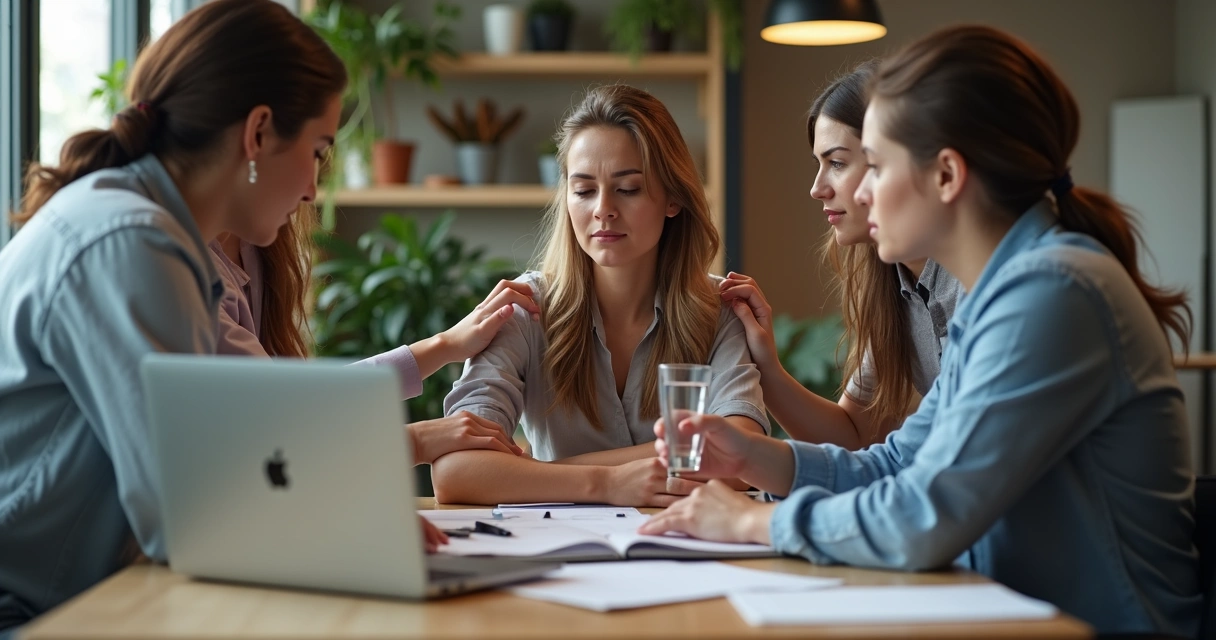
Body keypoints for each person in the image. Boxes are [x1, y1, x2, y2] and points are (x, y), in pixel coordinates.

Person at [640, 25, 1201, 637]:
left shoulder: (1051, 293)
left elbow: (926, 512)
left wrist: (754, 523)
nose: (861, 191)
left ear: (947, 176)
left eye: (876, 166)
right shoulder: (1005, 295)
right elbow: (899, 464)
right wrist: (755, 456)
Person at [0, 0, 349, 629]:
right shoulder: (131, 242)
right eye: (318, 151)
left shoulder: (147, 231)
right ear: (258, 133)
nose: (311, 191)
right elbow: (187, 520)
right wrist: (346, 534)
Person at [431, 84, 769, 507]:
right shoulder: (524, 309)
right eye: (584, 190)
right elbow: (455, 471)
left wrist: (539, 473)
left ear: (673, 198)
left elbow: (741, 454)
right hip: (557, 546)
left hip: (684, 542)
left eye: (628, 189)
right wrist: (607, 483)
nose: (603, 209)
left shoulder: (719, 308)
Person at [209, 221, 538, 552]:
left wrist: (445, 345)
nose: (311, 196)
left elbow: (293, 405)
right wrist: (414, 441)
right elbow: (276, 424)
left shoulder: (255, 247)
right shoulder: (198, 278)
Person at [719, 61, 963, 448]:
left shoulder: (978, 280)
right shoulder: (893, 281)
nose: (817, 188)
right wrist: (765, 366)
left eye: (837, 163)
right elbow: (857, 433)